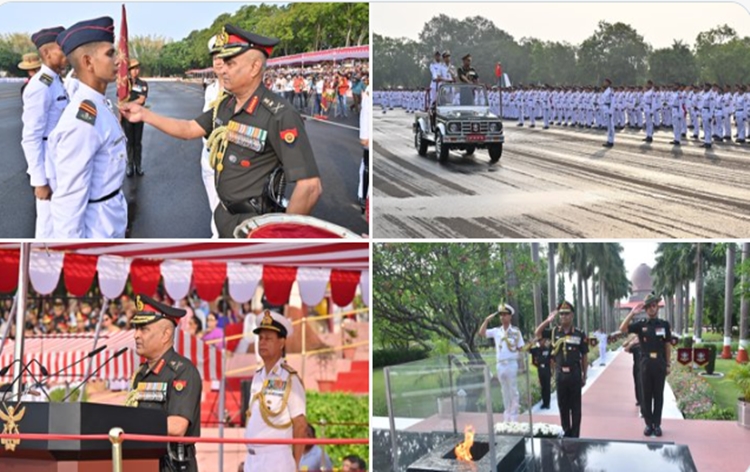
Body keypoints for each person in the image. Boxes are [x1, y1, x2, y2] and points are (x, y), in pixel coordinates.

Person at [120, 24, 322, 238]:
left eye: (230, 63)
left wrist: (281, 238)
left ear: (254, 68)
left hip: (256, 226)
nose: (222, 69)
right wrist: (144, 115)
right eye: (223, 62)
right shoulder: (226, 105)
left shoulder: (279, 115)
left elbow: (310, 187)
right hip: (225, 217)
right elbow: (189, 129)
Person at [48, 16, 127, 238]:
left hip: (110, 215)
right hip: (96, 227)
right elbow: (69, 201)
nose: (118, 60)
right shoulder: (82, 120)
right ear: (88, 62)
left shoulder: (98, 105)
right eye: (110, 54)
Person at [125, 294, 202, 472]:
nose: (136, 335)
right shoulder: (141, 373)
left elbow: (177, 427)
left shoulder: (182, 371)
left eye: (144, 329)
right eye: (136, 329)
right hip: (143, 462)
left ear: (166, 335)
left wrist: (129, 424)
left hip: (172, 464)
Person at [243, 310, 307, 472]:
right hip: (251, 459)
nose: (262, 343)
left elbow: (300, 424)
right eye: (260, 338)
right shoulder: (257, 376)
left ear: (281, 342)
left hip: (276, 460)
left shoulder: (289, 378)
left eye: (268, 339)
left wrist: (295, 463)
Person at [21, 26, 68, 239]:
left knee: (64, 221)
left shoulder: (56, 81)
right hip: (49, 168)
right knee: (48, 227)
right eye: (62, 50)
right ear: (47, 54)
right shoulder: (39, 87)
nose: (67, 55)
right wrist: (39, 181)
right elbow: (31, 137)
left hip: (62, 161)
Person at [619, 292, 671, 437]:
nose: (651, 309)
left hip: (659, 363)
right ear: (646, 309)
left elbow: (667, 346)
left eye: (654, 306)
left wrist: (668, 364)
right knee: (646, 395)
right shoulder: (641, 325)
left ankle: (657, 424)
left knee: (658, 395)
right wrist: (632, 313)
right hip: (645, 364)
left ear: (657, 307)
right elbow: (622, 329)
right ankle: (648, 424)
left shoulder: (664, 325)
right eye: (648, 307)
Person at [535, 301, 588, 438]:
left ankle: (575, 435)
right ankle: (566, 432)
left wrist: (584, 375)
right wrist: (548, 320)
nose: (563, 316)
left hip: (575, 373)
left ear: (572, 316)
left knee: (576, 407)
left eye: (566, 314)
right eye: (561, 314)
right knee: (563, 406)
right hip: (560, 375)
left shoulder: (579, 334)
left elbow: (584, 356)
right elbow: (537, 333)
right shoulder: (554, 332)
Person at [478, 303, 524, 422]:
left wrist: (520, 364)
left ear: (510, 316)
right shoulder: (496, 331)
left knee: (513, 390)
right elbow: (482, 333)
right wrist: (486, 320)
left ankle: (514, 416)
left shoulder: (515, 332)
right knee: (504, 391)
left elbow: (521, 349)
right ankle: (507, 414)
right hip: (500, 365)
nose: (502, 317)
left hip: (511, 364)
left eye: (505, 314)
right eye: (501, 315)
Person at [201, 34, 225, 238]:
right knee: (215, 206)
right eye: (215, 56)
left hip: (232, 162)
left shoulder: (240, 90)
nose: (218, 61)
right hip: (209, 158)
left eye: (223, 55)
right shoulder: (210, 90)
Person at [122, 58, 148, 177]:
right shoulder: (123, 84)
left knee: (137, 142)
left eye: (137, 68)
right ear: (129, 70)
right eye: (133, 69)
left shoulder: (142, 84)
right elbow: (120, 101)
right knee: (129, 142)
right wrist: (118, 119)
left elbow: (142, 99)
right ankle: (130, 165)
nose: (135, 71)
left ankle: (138, 165)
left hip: (138, 117)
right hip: (126, 118)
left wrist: (129, 105)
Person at [357, 73, 370, 213]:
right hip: (369, 135)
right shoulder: (368, 91)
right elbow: (365, 113)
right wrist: (364, 135)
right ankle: (363, 196)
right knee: (365, 168)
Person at [529, 338, 552, 409]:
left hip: (547, 369)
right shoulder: (536, 350)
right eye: (540, 341)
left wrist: (552, 370)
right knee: (542, 387)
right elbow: (528, 349)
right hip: (540, 369)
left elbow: (552, 359)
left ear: (545, 341)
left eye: (543, 340)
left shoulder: (548, 349)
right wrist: (533, 342)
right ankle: (543, 403)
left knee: (547, 387)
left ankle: (547, 403)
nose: (541, 342)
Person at [622, 334, 643, 407]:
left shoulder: (646, 344)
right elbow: (626, 349)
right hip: (637, 367)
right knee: (637, 383)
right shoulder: (636, 346)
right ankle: (639, 400)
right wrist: (632, 342)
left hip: (645, 367)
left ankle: (644, 399)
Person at [601, 78, 615, 147]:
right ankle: (609, 140)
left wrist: (611, 111)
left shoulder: (610, 91)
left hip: (609, 109)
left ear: (608, 83)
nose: (604, 83)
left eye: (605, 82)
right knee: (608, 126)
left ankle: (611, 141)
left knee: (610, 127)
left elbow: (612, 102)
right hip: (605, 109)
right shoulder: (606, 91)